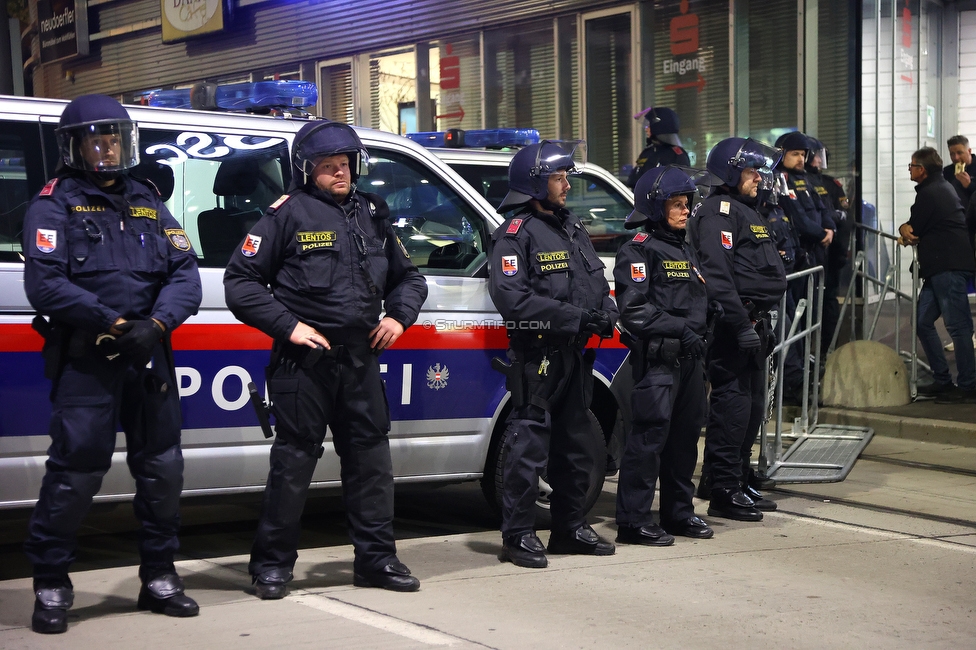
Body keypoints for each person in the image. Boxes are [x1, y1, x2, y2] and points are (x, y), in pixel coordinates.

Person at [224, 121, 429, 598]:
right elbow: (241, 282)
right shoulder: (285, 215)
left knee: (371, 463)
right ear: (306, 170)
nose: (341, 173)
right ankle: (272, 565)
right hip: (304, 364)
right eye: (329, 167)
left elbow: (410, 279)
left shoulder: (372, 213)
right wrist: (289, 326)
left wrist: (399, 317)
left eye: (347, 165)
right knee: (294, 465)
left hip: (359, 360)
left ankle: (376, 560)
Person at [22, 95, 203, 634]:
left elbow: (185, 274)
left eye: (116, 139)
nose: (108, 149)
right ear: (74, 146)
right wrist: (113, 323)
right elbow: (45, 284)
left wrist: (157, 325)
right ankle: (52, 581)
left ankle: (160, 575)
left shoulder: (147, 199)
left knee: (163, 469)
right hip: (89, 360)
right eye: (97, 140)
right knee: (76, 473)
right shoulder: (53, 204)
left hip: (149, 355)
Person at [489, 141, 618, 568]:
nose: (566, 185)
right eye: (558, 178)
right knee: (528, 449)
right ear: (535, 183)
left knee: (576, 446)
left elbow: (595, 280)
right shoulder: (515, 235)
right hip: (538, 357)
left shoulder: (573, 227)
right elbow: (513, 299)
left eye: (565, 177)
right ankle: (518, 535)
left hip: (575, 358)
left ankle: (570, 527)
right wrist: (578, 318)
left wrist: (607, 312)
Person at [688, 137, 787, 522]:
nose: (759, 179)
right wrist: (738, 321)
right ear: (730, 172)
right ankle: (725, 490)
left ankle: (731, 478)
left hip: (753, 322)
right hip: (734, 325)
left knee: (751, 408)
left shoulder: (746, 211)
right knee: (732, 407)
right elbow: (717, 274)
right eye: (750, 172)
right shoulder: (717, 213)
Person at [614, 165, 713, 545]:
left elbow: (694, 301)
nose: (686, 210)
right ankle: (633, 521)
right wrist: (681, 330)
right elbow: (635, 310)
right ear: (656, 206)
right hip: (659, 361)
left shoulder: (684, 248)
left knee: (685, 441)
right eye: (676, 203)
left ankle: (678, 513)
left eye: (687, 203)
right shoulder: (637, 250)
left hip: (689, 361)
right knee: (648, 440)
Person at [899, 147, 976, 403]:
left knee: (958, 326)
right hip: (938, 267)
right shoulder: (938, 187)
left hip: (947, 266)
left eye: (911, 166)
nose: (909, 170)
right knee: (921, 321)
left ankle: (968, 385)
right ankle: (943, 381)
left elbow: (914, 230)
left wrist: (905, 229)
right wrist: (905, 228)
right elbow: (911, 227)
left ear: (921, 169)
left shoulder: (931, 193)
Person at [627, 107, 690, 189]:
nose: (646, 129)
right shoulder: (648, 152)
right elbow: (633, 180)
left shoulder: (677, 156)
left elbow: (682, 186)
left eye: (649, 125)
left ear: (659, 127)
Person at [943, 135, 976, 207]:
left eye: (959, 153)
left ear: (969, 151)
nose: (956, 157)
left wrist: (970, 185)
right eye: (952, 154)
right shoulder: (946, 171)